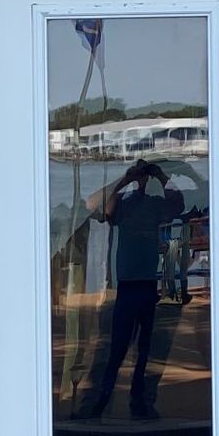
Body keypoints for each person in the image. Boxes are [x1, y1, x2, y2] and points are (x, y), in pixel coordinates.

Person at [78, 159, 184, 421]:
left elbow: (177, 205)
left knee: (144, 351)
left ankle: (136, 403)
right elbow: (95, 206)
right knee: (117, 350)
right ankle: (102, 402)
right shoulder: (124, 204)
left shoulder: (151, 205)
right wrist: (127, 179)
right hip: (127, 285)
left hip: (145, 282)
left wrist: (157, 176)